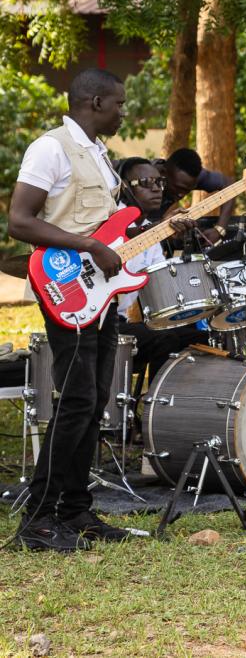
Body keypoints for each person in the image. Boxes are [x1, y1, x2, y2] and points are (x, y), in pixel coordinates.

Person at [7, 69, 135, 550]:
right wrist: (90, 246)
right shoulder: (50, 148)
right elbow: (20, 221)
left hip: (100, 293)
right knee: (77, 400)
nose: (123, 113)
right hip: (65, 290)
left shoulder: (98, 153)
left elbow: (106, 228)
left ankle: (76, 510)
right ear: (96, 101)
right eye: (119, 104)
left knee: (95, 399)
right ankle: (38, 520)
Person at [112, 158, 203, 405]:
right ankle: (154, 409)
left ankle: (177, 407)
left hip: (123, 322)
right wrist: (159, 228)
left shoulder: (150, 229)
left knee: (199, 337)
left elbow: (158, 282)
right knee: (166, 338)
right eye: (145, 182)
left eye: (160, 182)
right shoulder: (110, 217)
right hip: (101, 322)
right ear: (125, 187)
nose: (156, 189)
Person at [159, 147, 234, 240]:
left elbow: (229, 184)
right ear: (163, 173)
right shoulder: (145, 177)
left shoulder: (191, 177)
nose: (181, 195)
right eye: (178, 188)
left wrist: (219, 229)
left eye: (187, 190)